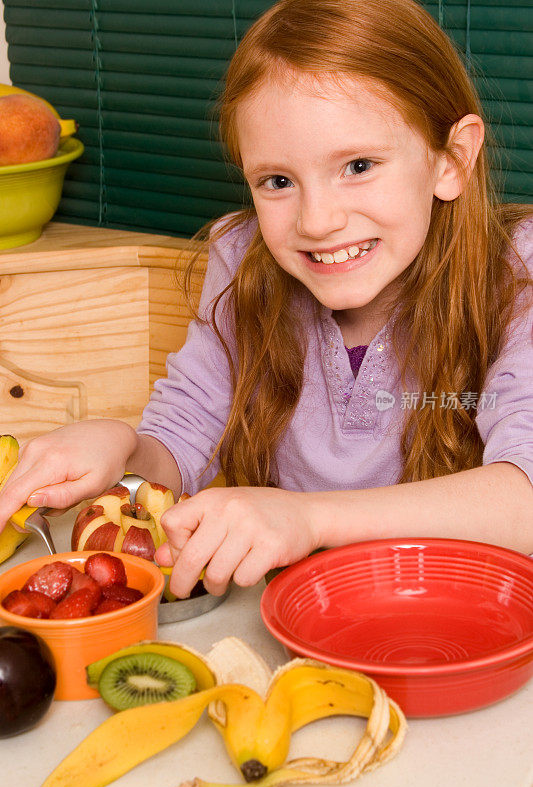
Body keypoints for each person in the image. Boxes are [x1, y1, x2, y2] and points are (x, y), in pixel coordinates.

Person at [0, 0, 531, 599]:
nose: (319, 220)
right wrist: (124, 445)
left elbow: (525, 497)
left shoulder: (520, 273)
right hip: (294, 614)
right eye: (277, 181)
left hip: (457, 620)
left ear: (452, 159)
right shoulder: (239, 257)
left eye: (358, 165)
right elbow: (178, 443)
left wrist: (309, 520)